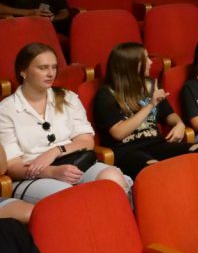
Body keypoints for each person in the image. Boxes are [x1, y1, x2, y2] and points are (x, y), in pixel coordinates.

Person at [0, 44, 131, 203]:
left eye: (54, 67)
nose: (51, 73)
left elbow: (86, 141)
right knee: (68, 196)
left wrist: (56, 151)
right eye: (43, 68)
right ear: (24, 72)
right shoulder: (6, 110)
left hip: (73, 162)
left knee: (113, 179)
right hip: (32, 176)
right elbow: (13, 167)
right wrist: (51, 172)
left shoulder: (68, 97)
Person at [93, 43, 198, 179]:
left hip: (156, 144)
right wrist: (150, 105)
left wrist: (179, 124)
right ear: (132, 65)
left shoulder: (150, 85)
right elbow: (119, 133)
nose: (150, 62)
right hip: (127, 151)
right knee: (156, 170)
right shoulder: (107, 94)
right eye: (145, 59)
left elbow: (169, 115)